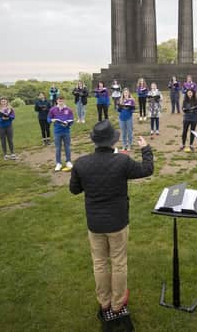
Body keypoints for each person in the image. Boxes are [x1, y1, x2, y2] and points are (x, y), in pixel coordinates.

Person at [69, 121, 153, 325]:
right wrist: (146, 148)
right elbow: (147, 169)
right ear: (113, 140)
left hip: (95, 223)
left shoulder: (81, 163)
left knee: (100, 262)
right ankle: (117, 304)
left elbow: (74, 189)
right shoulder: (121, 161)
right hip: (117, 222)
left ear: (95, 141)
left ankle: (105, 303)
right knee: (118, 262)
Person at [48, 95, 74, 171]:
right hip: (57, 132)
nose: (60, 102)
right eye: (59, 100)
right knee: (58, 148)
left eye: (62, 100)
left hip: (66, 131)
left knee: (67, 147)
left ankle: (68, 161)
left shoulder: (68, 110)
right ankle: (58, 163)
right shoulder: (53, 109)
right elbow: (48, 119)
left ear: (64, 101)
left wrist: (67, 123)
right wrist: (51, 120)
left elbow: (71, 119)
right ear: (57, 101)